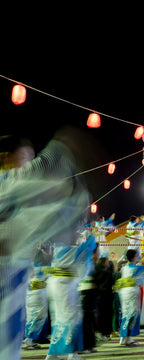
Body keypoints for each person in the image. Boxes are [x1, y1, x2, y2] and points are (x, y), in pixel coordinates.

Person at [0, 130, 91, 360]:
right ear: (5, 157)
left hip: (17, 276)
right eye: (25, 157)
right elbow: (53, 184)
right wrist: (61, 149)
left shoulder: (15, 186)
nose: (29, 164)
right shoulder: (12, 183)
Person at [44, 234, 98, 360]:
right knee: (71, 319)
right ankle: (71, 354)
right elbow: (87, 248)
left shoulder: (58, 248)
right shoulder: (69, 250)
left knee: (60, 320)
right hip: (64, 287)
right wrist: (92, 236)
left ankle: (53, 354)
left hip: (59, 286)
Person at [115, 249, 144, 347]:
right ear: (133, 257)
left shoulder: (125, 267)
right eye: (137, 256)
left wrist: (142, 262)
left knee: (125, 314)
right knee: (132, 314)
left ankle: (123, 338)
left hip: (123, 292)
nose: (138, 257)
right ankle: (129, 338)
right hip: (131, 292)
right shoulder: (135, 268)